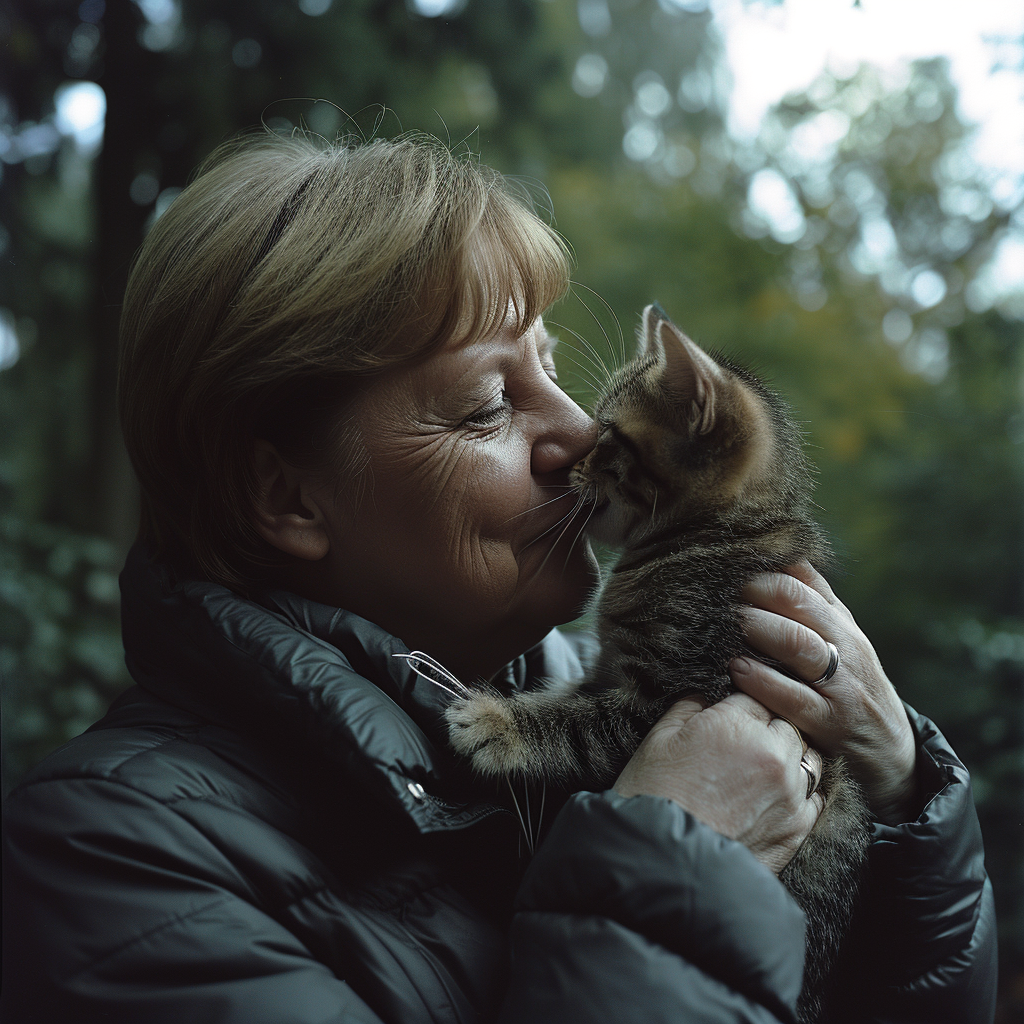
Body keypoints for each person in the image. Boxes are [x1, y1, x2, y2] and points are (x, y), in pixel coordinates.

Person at [2, 133, 996, 1024]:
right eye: (486, 404)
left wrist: (905, 792)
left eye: (554, 366)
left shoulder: (606, 693)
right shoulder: (104, 863)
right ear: (290, 500)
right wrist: (673, 861)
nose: (576, 434)